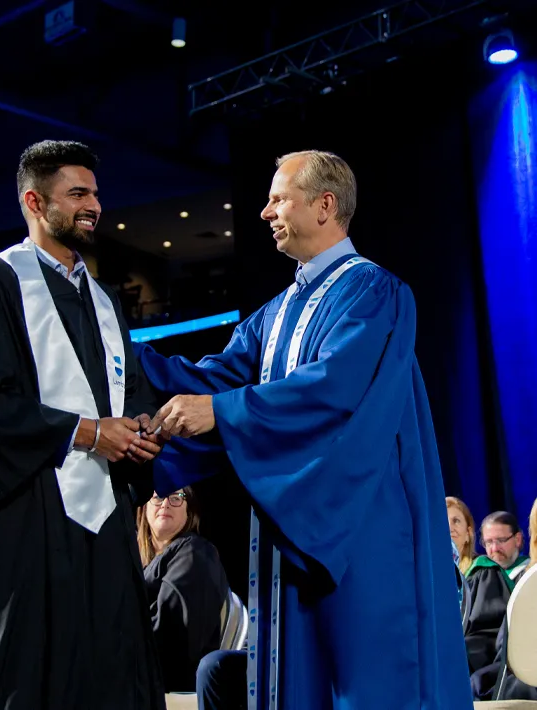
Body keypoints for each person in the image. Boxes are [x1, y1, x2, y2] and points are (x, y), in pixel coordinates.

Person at [136, 150, 473, 708]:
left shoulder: (375, 293)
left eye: (277, 199)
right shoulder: (277, 312)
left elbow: (330, 389)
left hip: (362, 525)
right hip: (293, 536)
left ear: (324, 205)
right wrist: (118, 363)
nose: (265, 211)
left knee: (368, 679)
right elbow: (211, 379)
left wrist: (220, 412)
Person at [0, 140, 167, 710]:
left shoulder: (107, 302)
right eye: (77, 193)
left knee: (110, 668)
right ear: (35, 201)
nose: (94, 205)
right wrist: (88, 432)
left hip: (102, 522)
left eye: (95, 193)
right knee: (22, 672)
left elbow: (129, 392)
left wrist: (139, 427)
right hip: (25, 515)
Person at [137, 487, 229, 692]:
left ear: (190, 511)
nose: (166, 503)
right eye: (158, 496)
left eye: (176, 497)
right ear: (144, 510)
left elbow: (170, 634)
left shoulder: (193, 552)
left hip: (159, 681)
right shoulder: (133, 563)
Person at [464, 510, 529, 673]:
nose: (494, 548)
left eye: (501, 540)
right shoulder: (479, 574)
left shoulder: (530, 574)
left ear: (518, 539)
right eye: (488, 542)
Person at [446, 496, 476, 575]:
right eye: (444, 521)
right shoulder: (431, 574)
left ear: (468, 533)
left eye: (456, 521)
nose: (449, 528)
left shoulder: (482, 573)